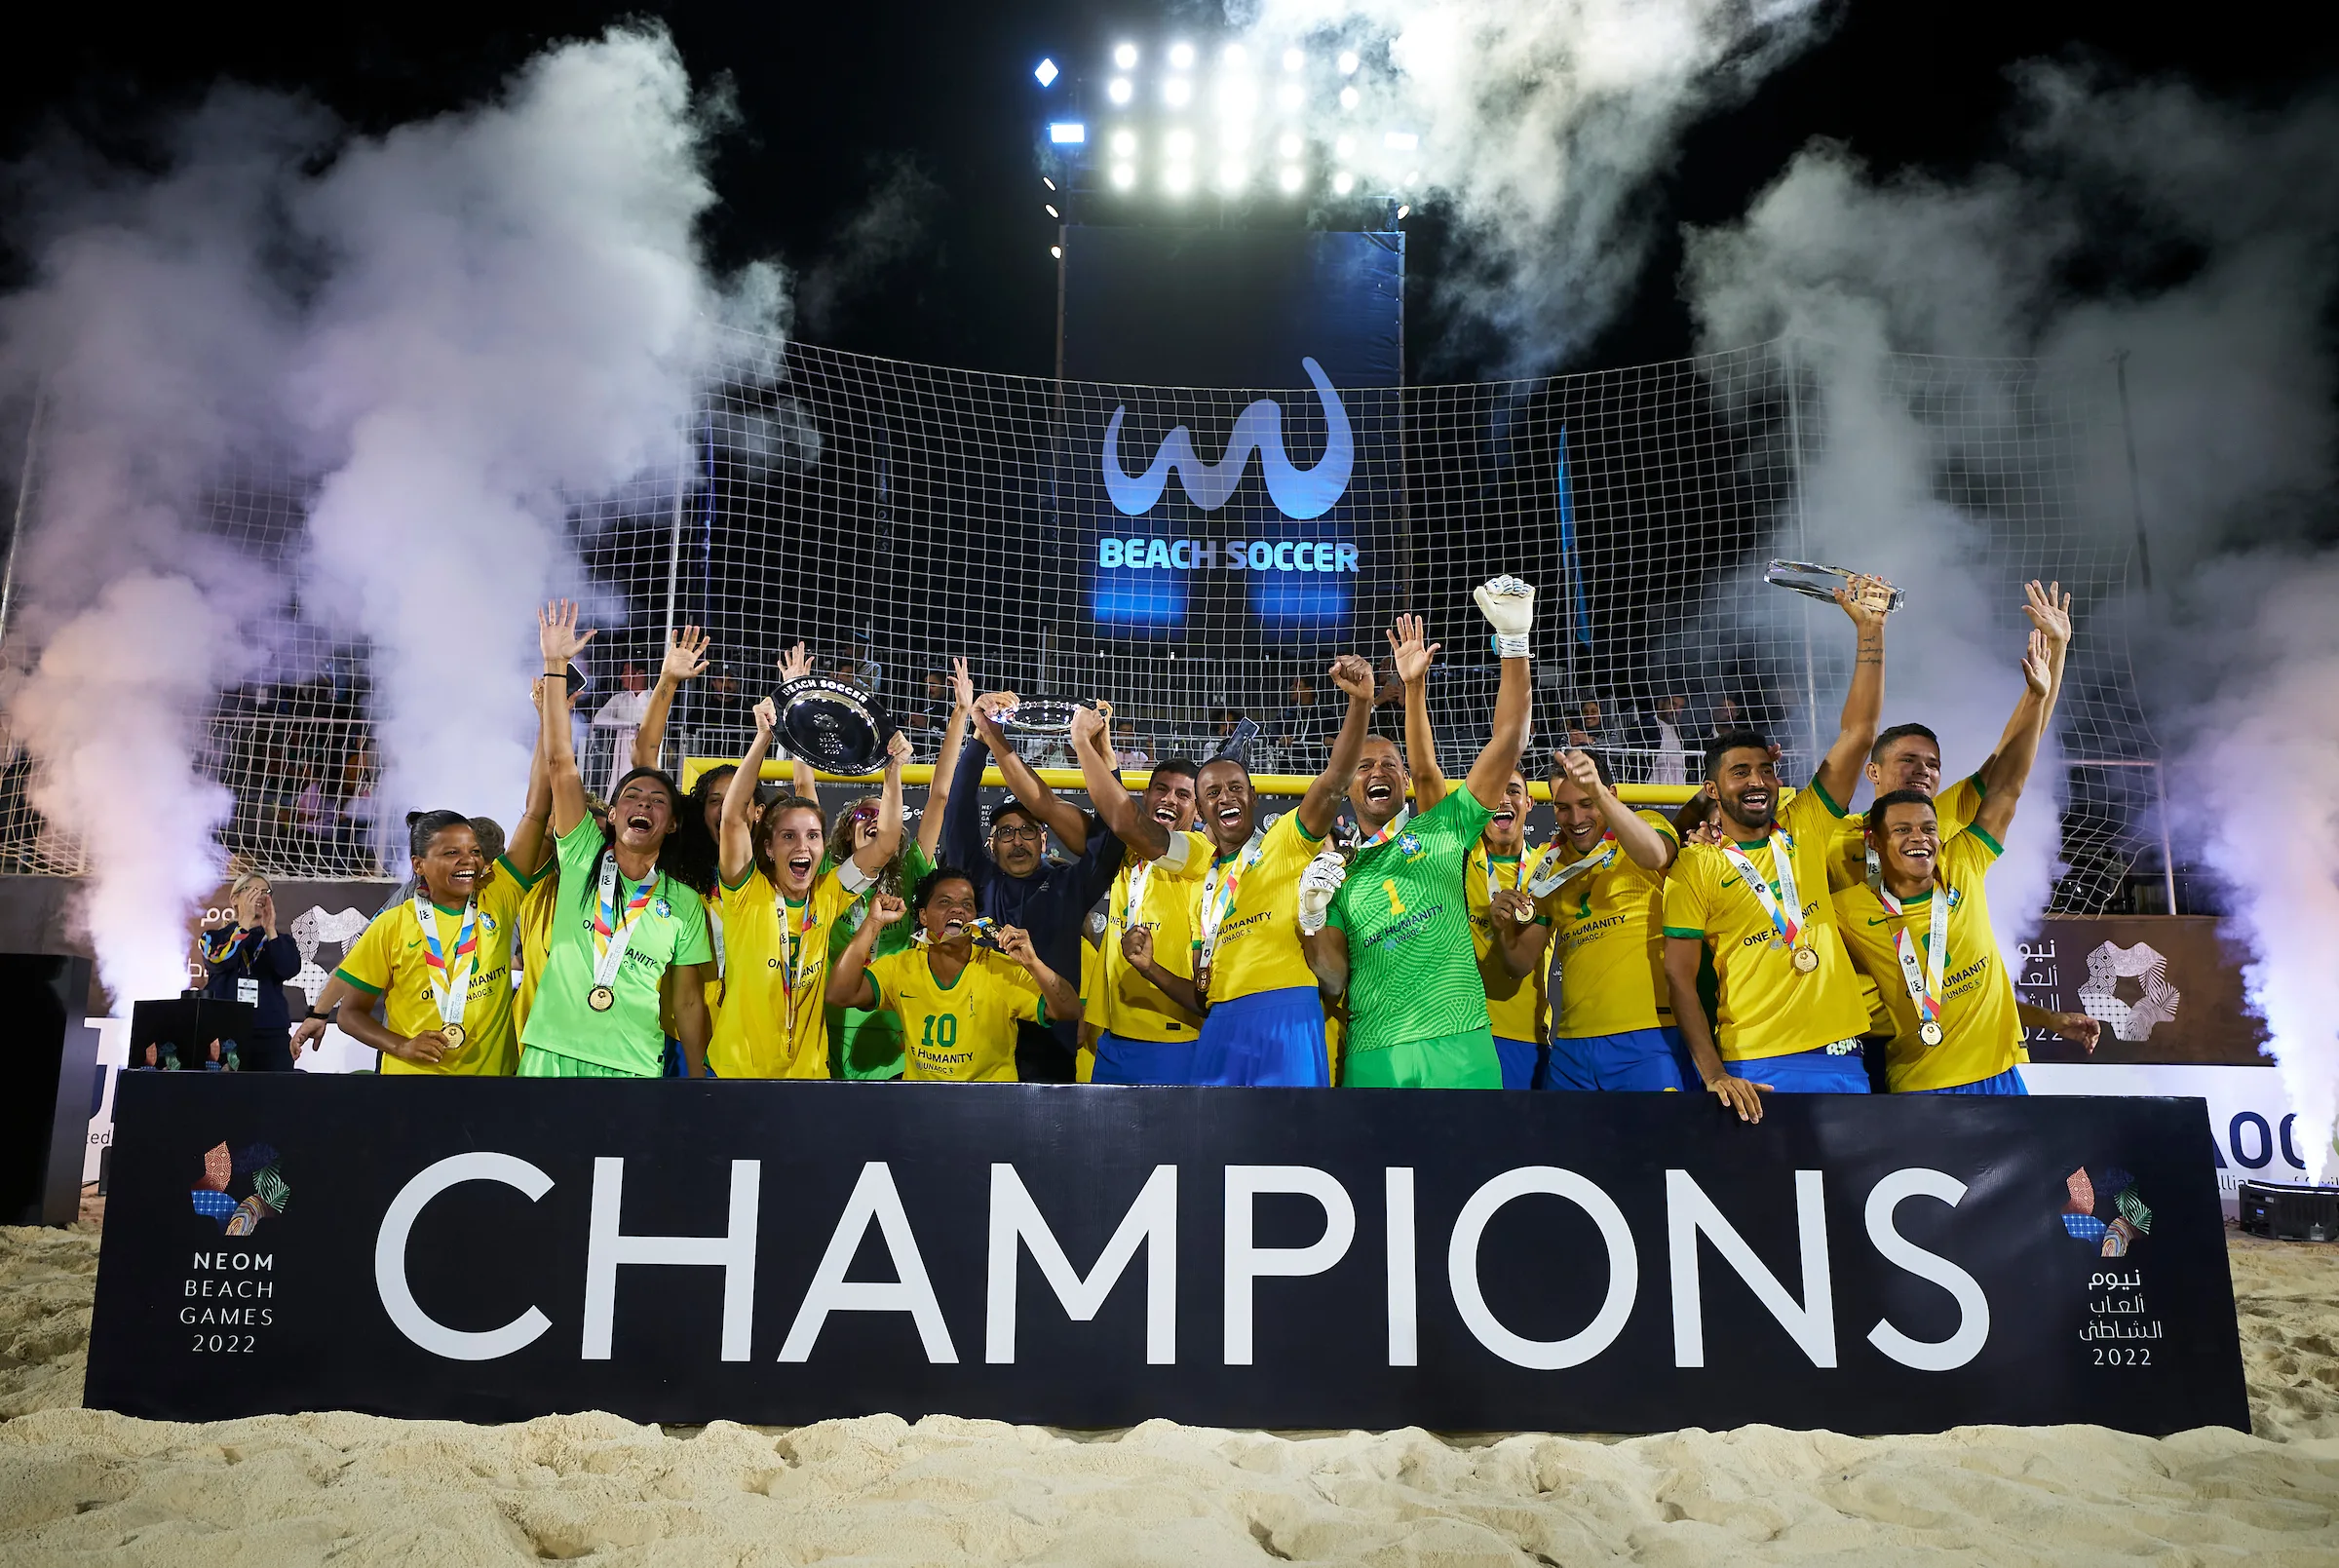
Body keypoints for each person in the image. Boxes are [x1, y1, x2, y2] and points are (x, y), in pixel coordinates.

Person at [1082, 653, 1378, 1086]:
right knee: (1215, 1149)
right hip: (1220, 1022)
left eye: (1236, 788)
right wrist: (1083, 746)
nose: (1226, 798)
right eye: (1213, 792)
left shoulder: (1286, 840)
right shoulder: (1199, 863)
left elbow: (1334, 780)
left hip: (1287, 1014)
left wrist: (1360, 704)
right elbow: (1128, 822)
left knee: (1291, 1145)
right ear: (1200, 809)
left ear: (1254, 797)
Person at [1661, 575, 1892, 1120]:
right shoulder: (1696, 864)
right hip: (1755, 1065)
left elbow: (1860, 733)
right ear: (1713, 790)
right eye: (1740, 772)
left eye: (1766, 769)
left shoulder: (1804, 824)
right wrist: (1714, 1072)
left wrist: (1871, 630)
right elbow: (1679, 976)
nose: (1758, 781)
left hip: (1841, 1057)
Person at [1296, 584, 1534, 1089]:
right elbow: (1334, 978)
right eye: (1362, 765)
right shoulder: (1335, 873)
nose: (1376, 770)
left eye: (1389, 763)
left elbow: (1508, 741)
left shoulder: (1443, 827)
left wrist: (1513, 642)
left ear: (1405, 780)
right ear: (1346, 785)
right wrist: (1312, 917)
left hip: (1462, 1045)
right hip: (1374, 1054)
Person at [1835, 629, 2057, 1094]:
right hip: (1878, 1043)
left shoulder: (1951, 826)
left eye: (1933, 764)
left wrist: (2049, 668)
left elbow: (2011, 769)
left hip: (1969, 1046)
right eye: (1909, 761)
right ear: (1872, 771)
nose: (1924, 772)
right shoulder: (1831, 839)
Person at [505, 601, 713, 1079]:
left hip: (633, 1067)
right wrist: (556, 665)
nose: (643, 805)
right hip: (549, 1055)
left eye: (658, 800)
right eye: (632, 796)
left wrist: (700, 1083)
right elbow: (561, 764)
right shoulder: (580, 858)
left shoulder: (682, 902)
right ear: (614, 814)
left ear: (674, 823)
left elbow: (685, 998)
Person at [709, 694, 906, 1079]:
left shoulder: (828, 892)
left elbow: (885, 844)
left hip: (807, 1078)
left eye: (813, 836)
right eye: (788, 837)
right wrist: (763, 738)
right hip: (737, 1075)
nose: (803, 847)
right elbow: (733, 818)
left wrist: (893, 771)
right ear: (767, 846)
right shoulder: (745, 890)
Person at [941, 683, 1129, 1082]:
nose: (1017, 841)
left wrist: (1101, 754)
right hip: (983, 1041)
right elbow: (957, 809)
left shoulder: (1070, 886)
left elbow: (1112, 836)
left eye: (1028, 831)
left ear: (1045, 839)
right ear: (992, 843)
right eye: (1006, 833)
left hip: (1051, 1042)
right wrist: (979, 738)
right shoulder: (978, 879)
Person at [1488, 748, 1688, 1091]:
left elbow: (1655, 855)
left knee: (1657, 1145)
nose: (1575, 818)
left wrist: (1597, 790)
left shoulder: (1647, 824)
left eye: (1587, 802)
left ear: (1610, 795)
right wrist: (1504, 929)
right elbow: (1519, 964)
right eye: (1562, 807)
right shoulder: (1549, 865)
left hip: (1648, 1036)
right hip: (1571, 1047)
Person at [822, 657, 969, 1079]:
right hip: (829, 1021)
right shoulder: (829, 879)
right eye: (860, 817)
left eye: (879, 816)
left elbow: (939, 795)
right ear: (844, 835)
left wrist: (959, 712)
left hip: (895, 1032)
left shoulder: (911, 868)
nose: (871, 822)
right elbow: (802, 790)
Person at [827, 869, 1081, 1081]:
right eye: (945, 902)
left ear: (974, 918)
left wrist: (1033, 963)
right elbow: (839, 994)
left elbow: (1069, 1010)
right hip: (922, 1112)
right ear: (924, 916)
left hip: (988, 1113)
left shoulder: (999, 969)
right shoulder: (900, 967)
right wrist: (872, 924)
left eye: (966, 904)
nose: (958, 910)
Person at [331, 811, 533, 1076]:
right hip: (414, 1089)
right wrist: (402, 1046)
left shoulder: (496, 897)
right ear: (418, 865)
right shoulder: (392, 924)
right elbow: (349, 1015)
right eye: (451, 853)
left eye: (474, 851)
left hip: (491, 1088)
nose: (467, 861)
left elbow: (536, 817)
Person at [1066, 706, 1203, 1083]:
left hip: (1174, 1039)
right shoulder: (1127, 850)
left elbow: (1126, 818)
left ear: (1199, 807)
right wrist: (1104, 750)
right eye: (1161, 789)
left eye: (1183, 795)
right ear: (1147, 793)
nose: (1170, 800)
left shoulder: (1200, 851)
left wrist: (1081, 744)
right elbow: (1114, 815)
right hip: (1111, 1035)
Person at [197, 872, 301, 1072]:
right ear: (234, 899)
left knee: (273, 1098)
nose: (259, 897)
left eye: (265, 892)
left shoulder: (279, 941)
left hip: (271, 1035)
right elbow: (221, 960)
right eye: (252, 891)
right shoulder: (213, 938)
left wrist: (270, 929)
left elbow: (288, 969)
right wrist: (244, 922)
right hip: (225, 1034)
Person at [591, 662, 652, 796]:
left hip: (648, 756)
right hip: (622, 756)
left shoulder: (655, 699)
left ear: (640, 674)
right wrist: (632, 724)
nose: (621, 676)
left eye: (625, 671)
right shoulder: (619, 699)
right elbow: (598, 719)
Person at [1649, 694, 1691, 787]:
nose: (1676, 710)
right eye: (1673, 704)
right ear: (1660, 704)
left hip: (1680, 794)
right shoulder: (1645, 727)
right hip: (1651, 793)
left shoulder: (1684, 732)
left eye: (1680, 707)